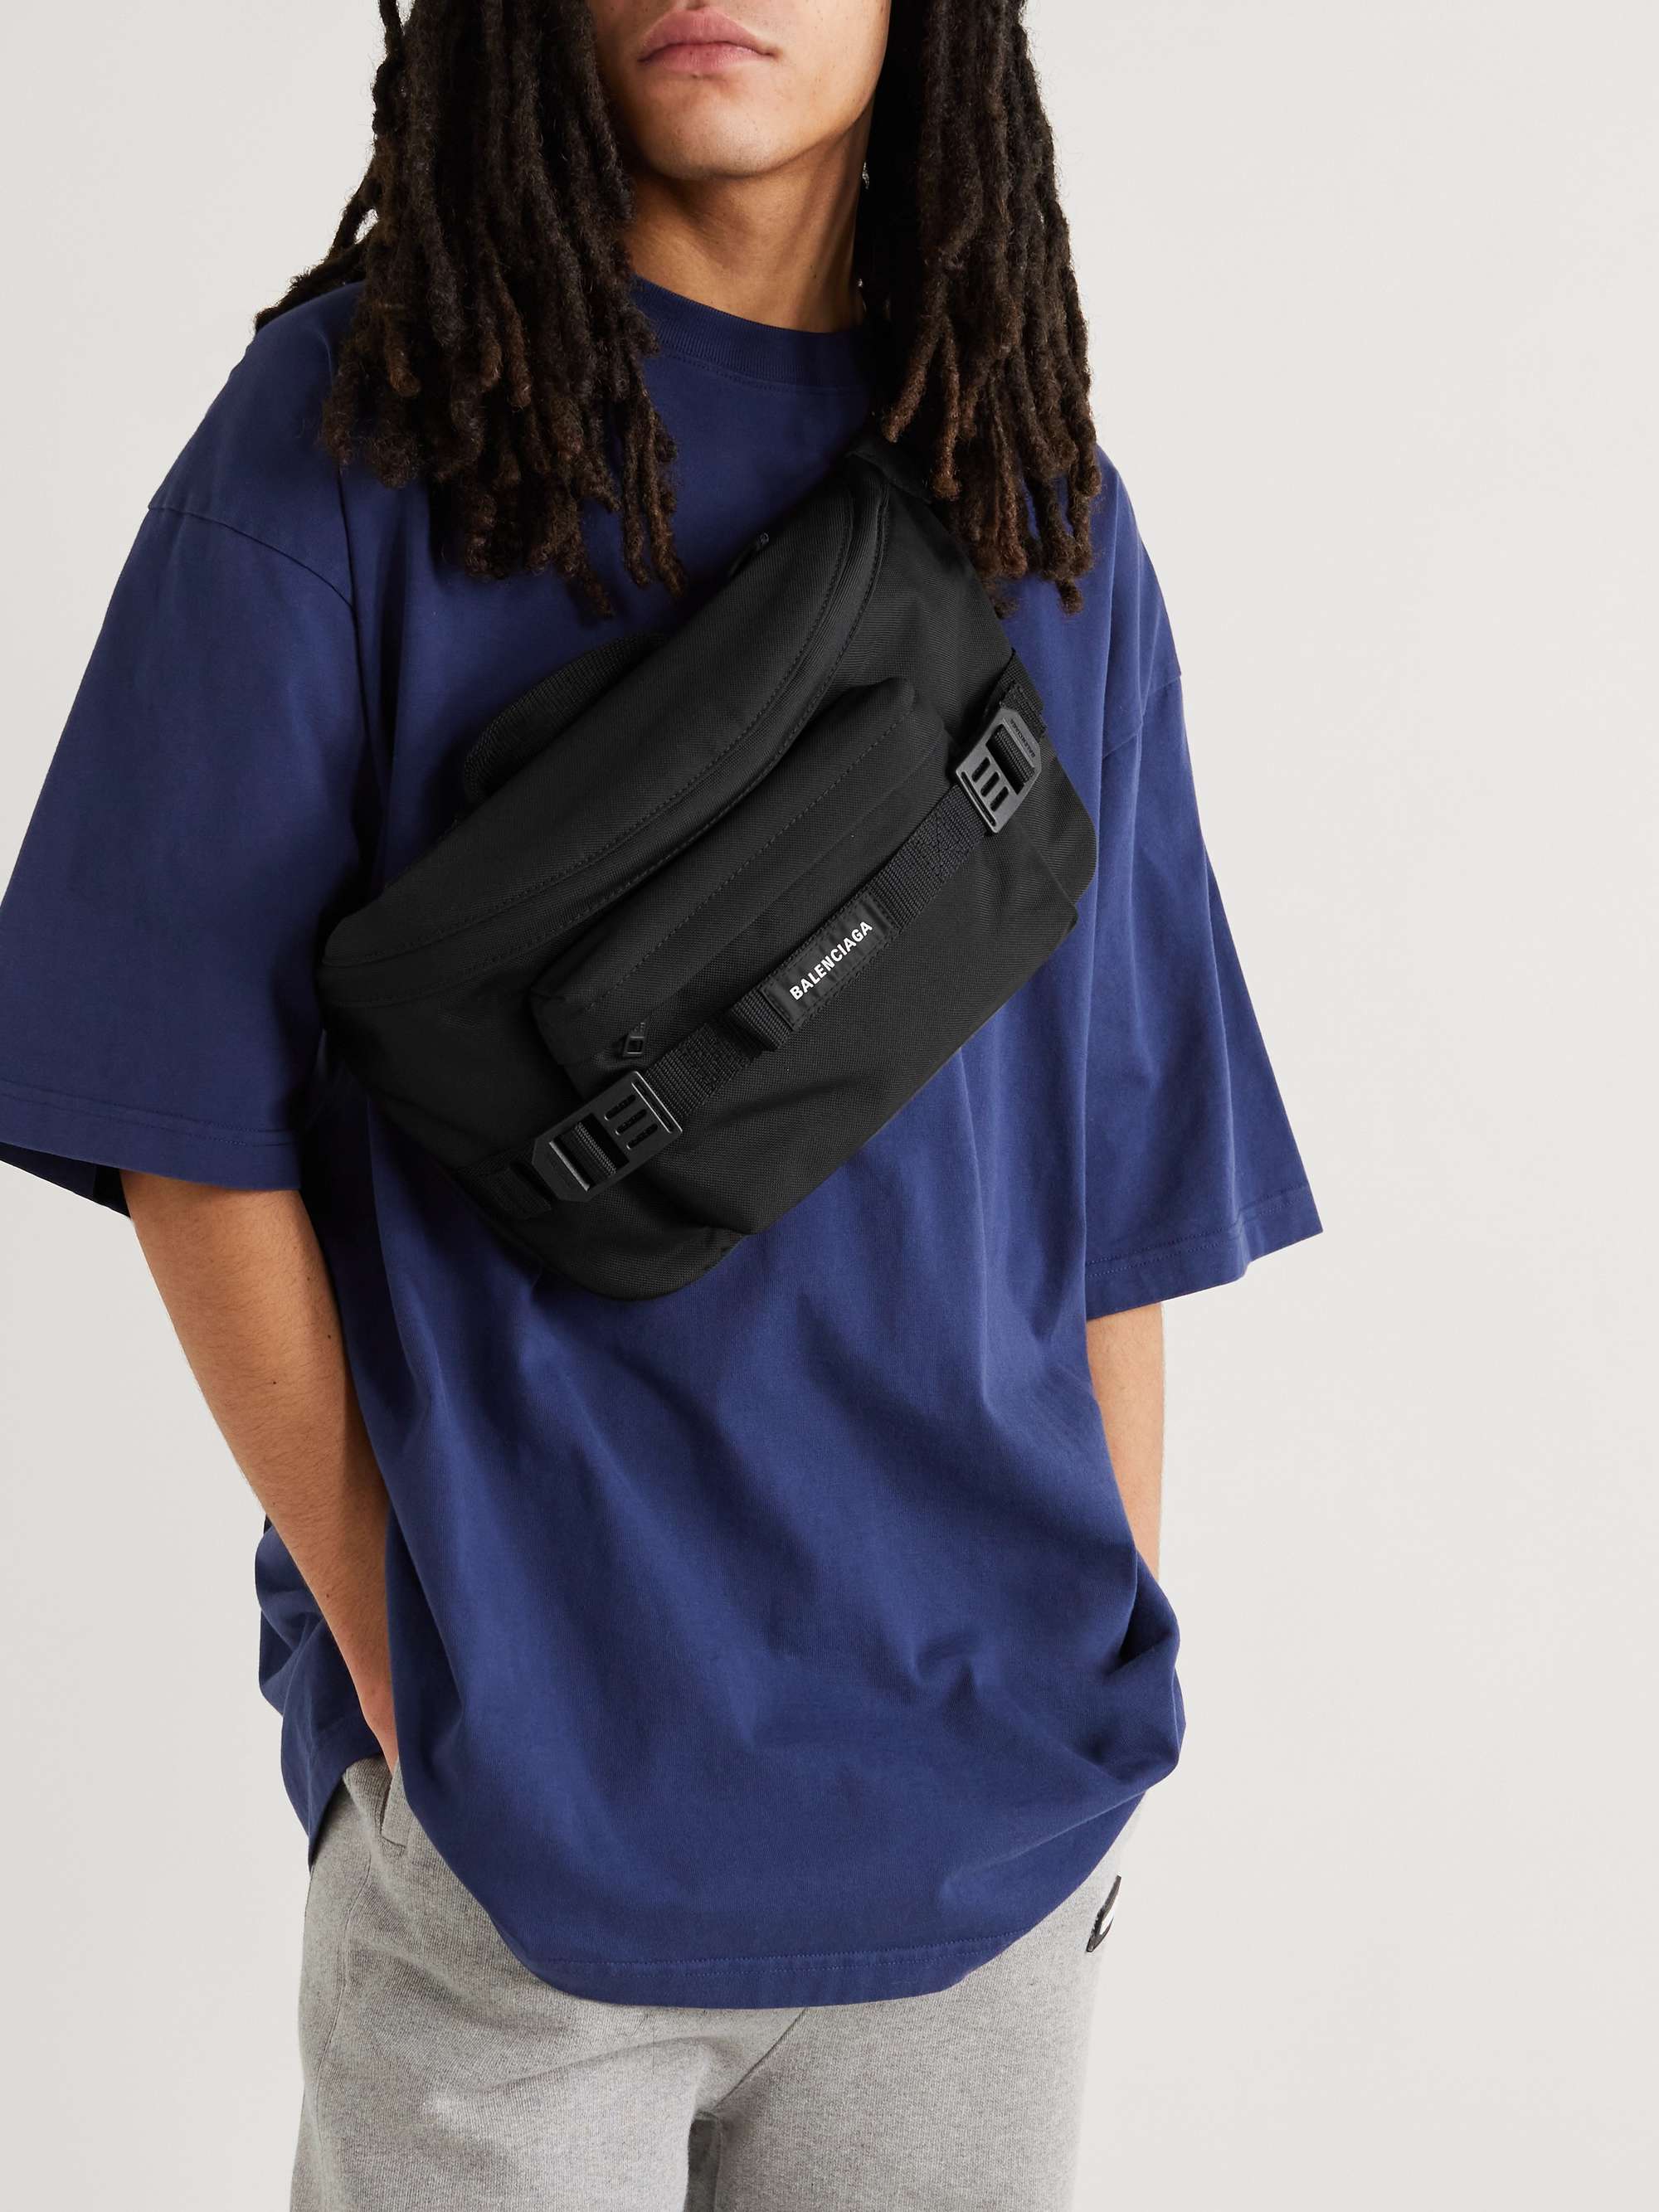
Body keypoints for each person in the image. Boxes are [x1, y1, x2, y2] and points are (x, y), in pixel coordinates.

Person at [0, 3, 1320, 2205]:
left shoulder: (1030, 497)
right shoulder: (354, 449)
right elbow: (181, 1120)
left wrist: (1087, 1711)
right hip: (519, 1846)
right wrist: (420, 1676)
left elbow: (1116, 1187)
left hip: (984, 1842)